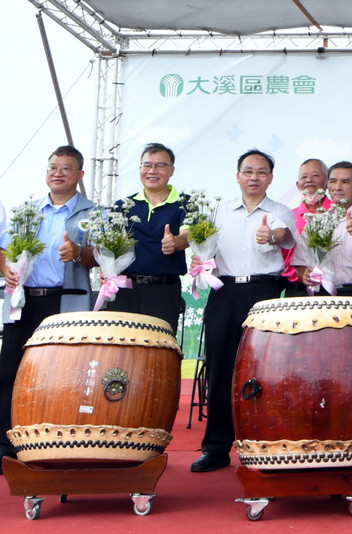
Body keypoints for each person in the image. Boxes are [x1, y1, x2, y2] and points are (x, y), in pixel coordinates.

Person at [190, 149, 294, 472]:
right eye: (247, 171)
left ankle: (265, 445)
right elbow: (198, 242)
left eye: (261, 172)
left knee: (264, 371)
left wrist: (271, 236)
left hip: (263, 292)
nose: (254, 177)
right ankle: (216, 448)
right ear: (237, 176)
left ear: (270, 178)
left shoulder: (280, 210)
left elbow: (284, 235)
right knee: (220, 368)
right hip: (224, 292)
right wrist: (194, 256)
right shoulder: (218, 211)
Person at [0, 146, 96, 464]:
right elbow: (4, 249)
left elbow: (105, 257)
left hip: (65, 303)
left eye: (66, 168)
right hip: (24, 302)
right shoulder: (29, 210)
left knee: (63, 375)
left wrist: (79, 253)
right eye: (53, 166)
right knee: (10, 372)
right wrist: (7, 271)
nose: (58, 173)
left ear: (80, 175)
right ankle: (6, 445)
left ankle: (59, 442)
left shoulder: (92, 212)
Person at [104, 142, 190, 333]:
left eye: (160, 165)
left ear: (171, 170)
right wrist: (106, 267)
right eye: (147, 165)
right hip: (125, 289)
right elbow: (110, 246)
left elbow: (187, 234)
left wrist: (175, 242)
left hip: (163, 290)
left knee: (159, 350)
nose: (152, 170)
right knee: (120, 350)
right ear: (140, 169)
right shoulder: (123, 205)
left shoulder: (184, 202)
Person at [294, 161, 352, 296]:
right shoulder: (316, 221)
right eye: (333, 181)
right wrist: (304, 274)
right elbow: (299, 261)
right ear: (327, 186)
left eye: (345, 182)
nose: (337, 187)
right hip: (321, 293)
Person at [280, 158, 331, 297]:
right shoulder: (288, 216)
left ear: (327, 182)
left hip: (332, 288)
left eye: (315, 175)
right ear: (298, 185)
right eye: (304, 177)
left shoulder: (339, 213)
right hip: (296, 289)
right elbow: (282, 258)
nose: (309, 180)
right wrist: (300, 273)